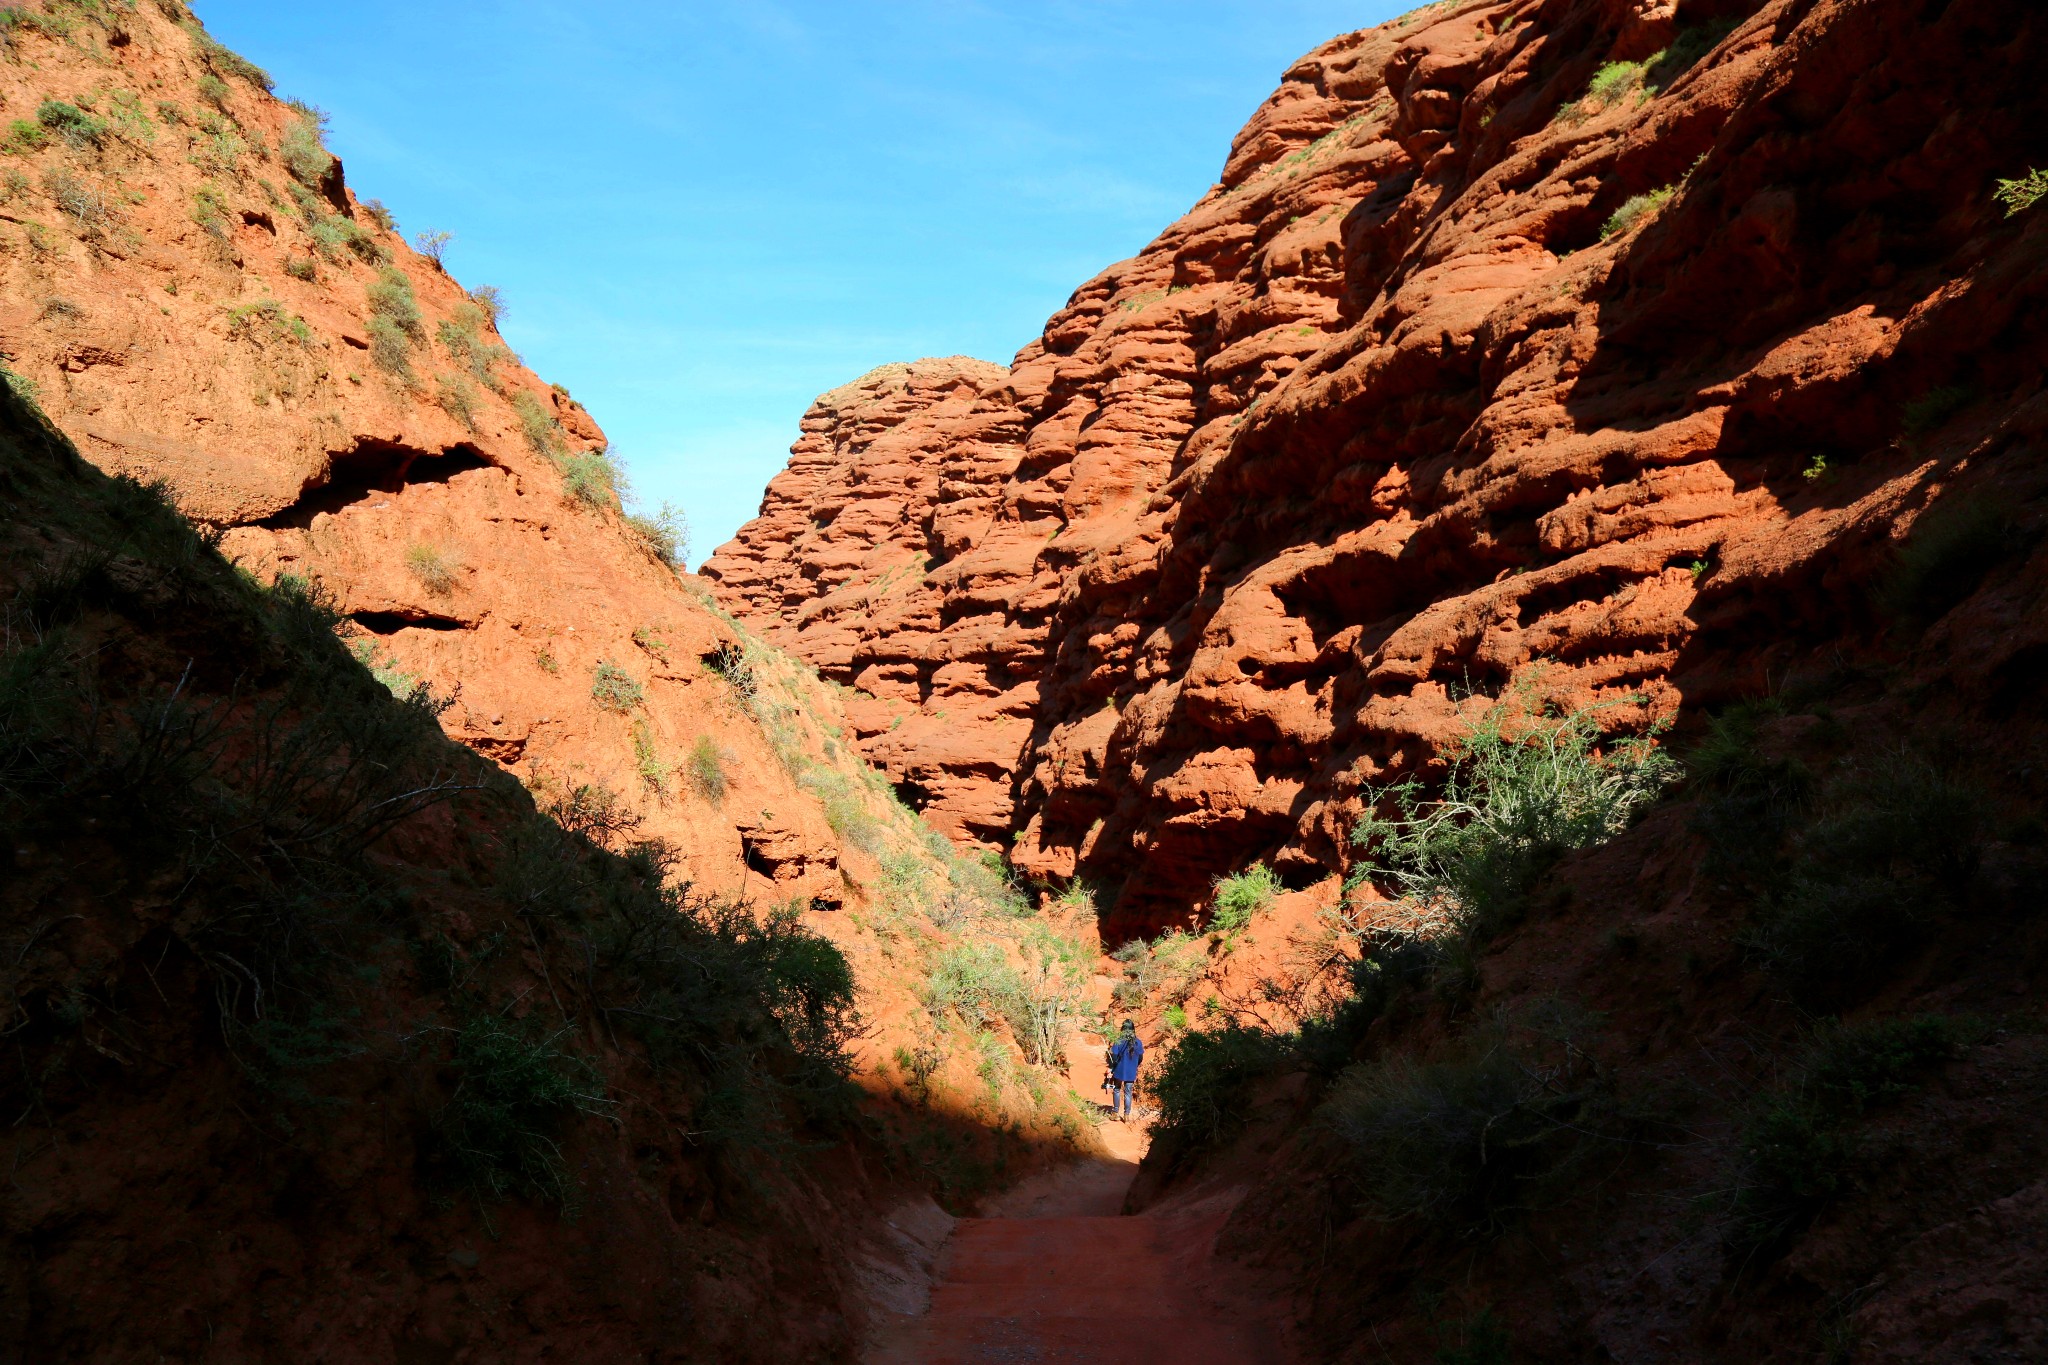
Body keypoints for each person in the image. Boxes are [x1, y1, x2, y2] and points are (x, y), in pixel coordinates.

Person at [1105, 1019, 1144, 1122]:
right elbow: (1140, 1058)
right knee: (1128, 1093)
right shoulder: (1138, 1042)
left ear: (1123, 1028)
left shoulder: (1119, 1041)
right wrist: (1135, 1065)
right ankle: (1126, 1116)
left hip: (1119, 1070)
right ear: (1133, 1029)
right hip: (1131, 1071)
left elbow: (1114, 1055)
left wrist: (1111, 1067)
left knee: (1117, 1089)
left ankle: (1115, 1113)